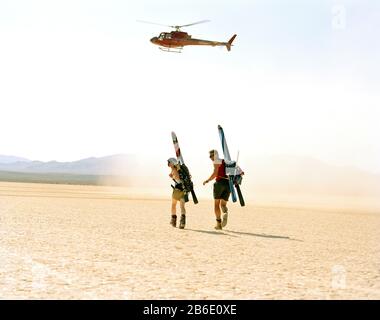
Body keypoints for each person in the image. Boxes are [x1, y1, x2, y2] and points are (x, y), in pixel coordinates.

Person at [203, 150, 230, 230]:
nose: (210, 158)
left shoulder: (216, 162)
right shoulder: (225, 161)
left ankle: (218, 224)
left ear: (215, 155)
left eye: (211, 156)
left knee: (216, 205)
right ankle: (225, 213)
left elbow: (215, 173)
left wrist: (207, 180)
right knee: (223, 205)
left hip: (219, 183)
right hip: (228, 184)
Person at [167, 158, 186, 229]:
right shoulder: (179, 169)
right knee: (182, 206)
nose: (168, 163)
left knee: (173, 205)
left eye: (169, 162)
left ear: (172, 163)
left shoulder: (174, 170)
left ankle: (173, 220)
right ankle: (182, 222)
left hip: (178, 189)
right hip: (184, 190)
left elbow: (177, 178)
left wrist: (173, 177)